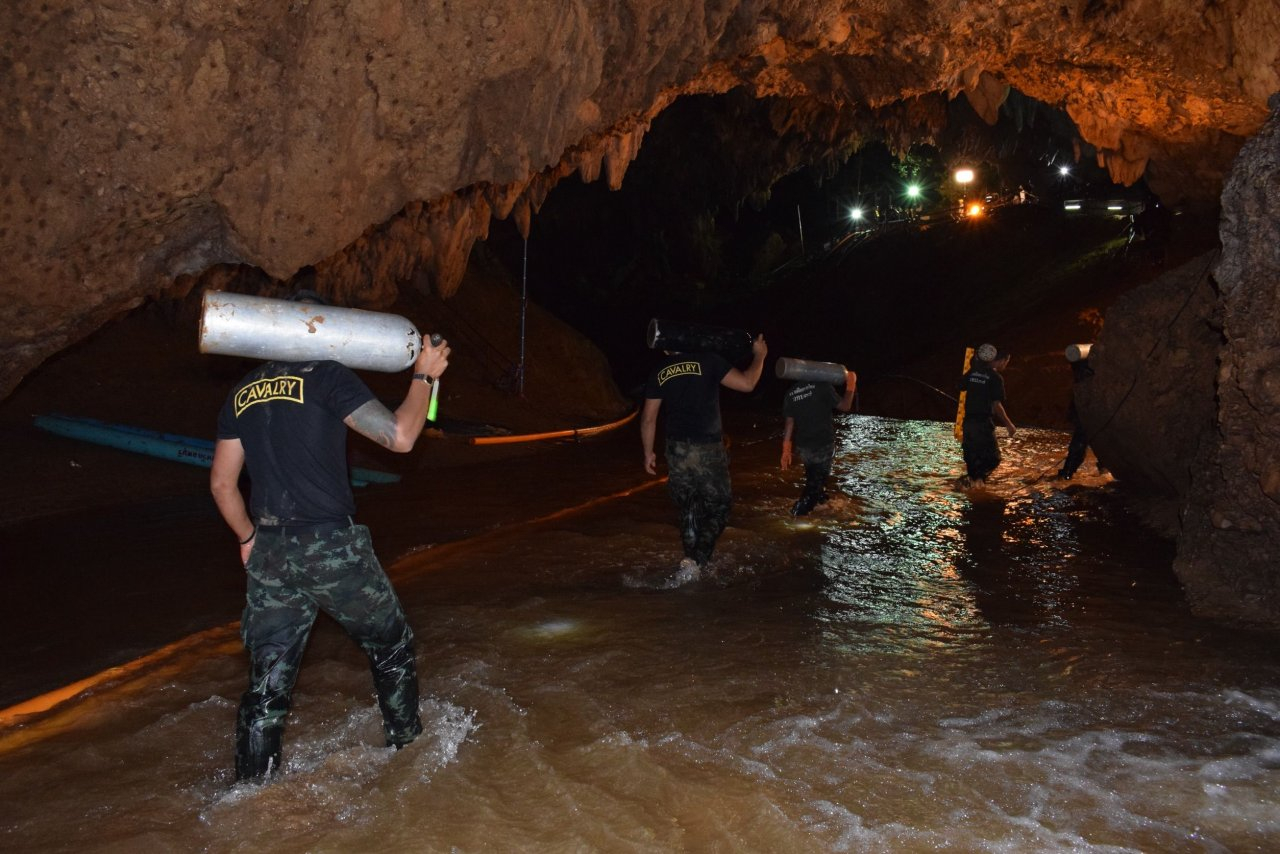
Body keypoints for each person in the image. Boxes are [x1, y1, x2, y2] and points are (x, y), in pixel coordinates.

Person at [209, 294, 450, 783]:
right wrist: (424, 377)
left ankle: (251, 793)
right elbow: (400, 437)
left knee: (268, 683)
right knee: (391, 644)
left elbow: (220, 483)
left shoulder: (242, 392)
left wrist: (247, 538)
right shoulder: (326, 375)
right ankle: (410, 755)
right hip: (328, 545)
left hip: (270, 552)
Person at [641, 333, 767, 579]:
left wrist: (648, 453)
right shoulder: (709, 360)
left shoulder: (660, 370)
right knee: (719, 507)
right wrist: (760, 357)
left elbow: (648, 418)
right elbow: (747, 383)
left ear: (667, 350)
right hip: (708, 447)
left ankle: (689, 560)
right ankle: (697, 560)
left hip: (676, 448)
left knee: (688, 503)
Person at [780, 368, 857, 515]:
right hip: (823, 444)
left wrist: (785, 450)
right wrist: (851, 384)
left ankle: (822, 504)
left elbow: (789, 423)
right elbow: (845, 406)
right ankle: (798, 514)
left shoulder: (791, 392)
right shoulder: (823, 386)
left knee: (814, 479)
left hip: (804, 448)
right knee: (814, 485)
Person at [958, 343, 1015, 488]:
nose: (1005, 365)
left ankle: (971, 485)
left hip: (968, 423)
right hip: (983, 424)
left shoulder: (971, 372)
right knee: (993, 459)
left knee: (972, 458)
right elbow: (997, 405)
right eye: (1006, 362)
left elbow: (961, 386)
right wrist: (1009, 424)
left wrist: (973, 369)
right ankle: (978, 482)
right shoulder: (995, 378)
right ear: (1001, 360)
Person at [1058, 354, 1095, 479]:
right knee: (1080, 444)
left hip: (1082, 416)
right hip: (1085, 416)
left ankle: (1067, 471)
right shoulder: (1086, 376)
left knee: (1079, 444)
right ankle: (1068, 472)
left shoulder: (1080, 376)